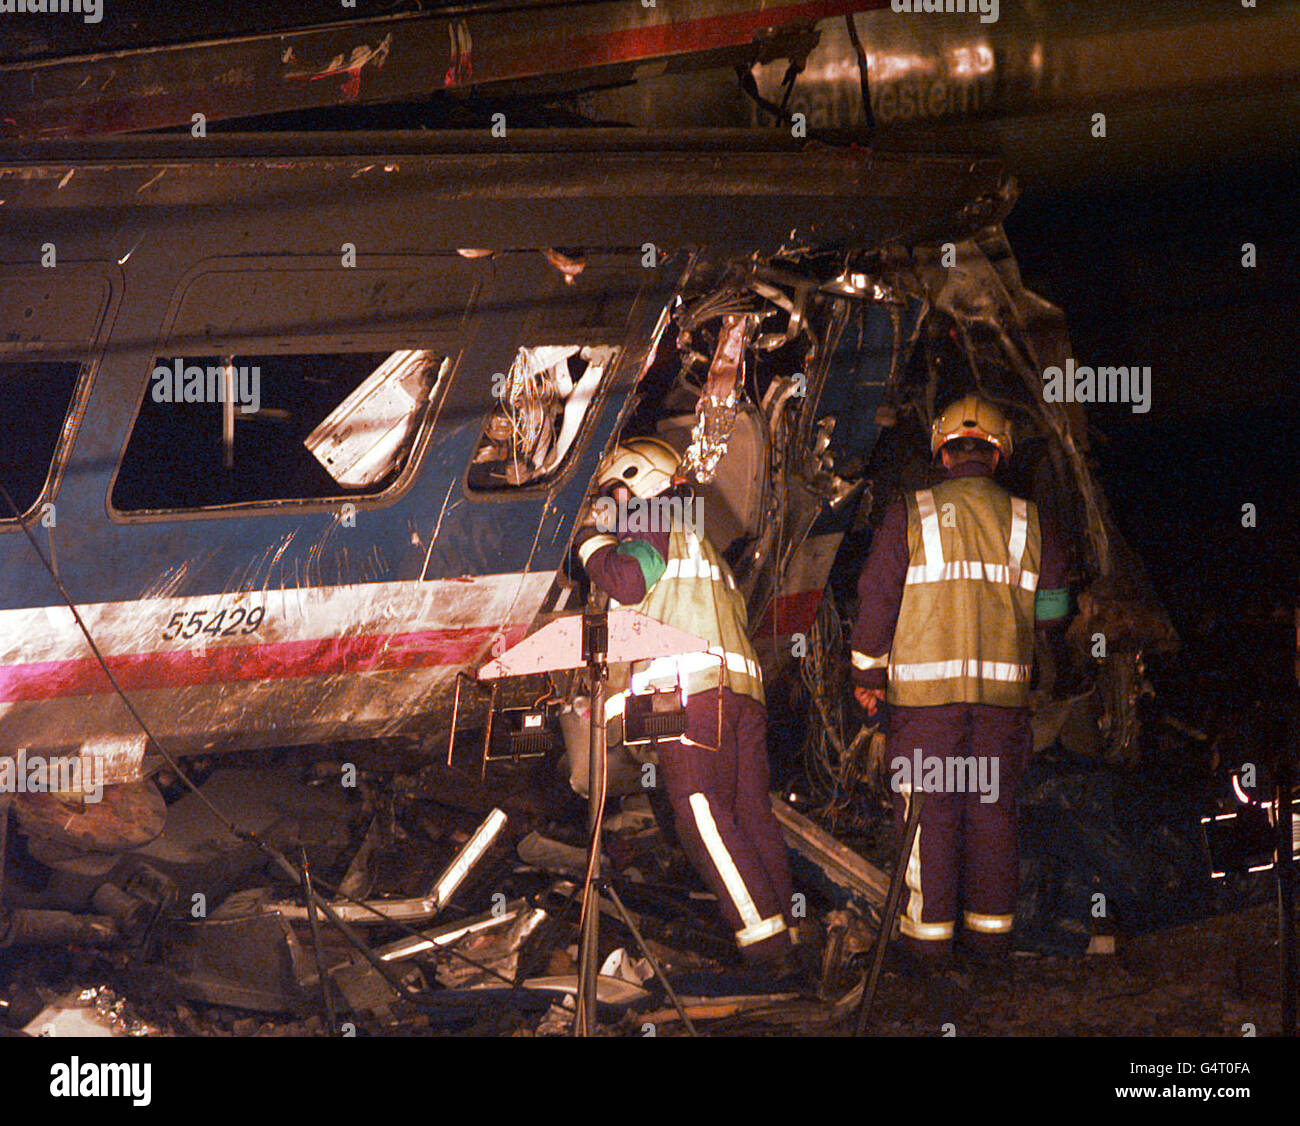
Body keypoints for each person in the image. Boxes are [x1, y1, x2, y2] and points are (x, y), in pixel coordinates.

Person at [850, 394, 1070, 968]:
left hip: (924, 705)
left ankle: (927, 948)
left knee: (929, 813)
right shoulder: (1030, 519)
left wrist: (865, 671)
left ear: (942, 451)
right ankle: (991, 940)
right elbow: (1051, 612)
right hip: (1001, 704)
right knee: (993, 811)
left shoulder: (911, 512)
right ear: (999, 453)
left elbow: (876, 597)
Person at [574, 437, 803, 973]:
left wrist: (587, 543)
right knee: (750, 816)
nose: (611, 505)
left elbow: (629, 581)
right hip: (740, 696)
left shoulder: (652, 515)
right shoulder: (703, 543)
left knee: (701, 815)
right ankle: (790, 935)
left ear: (641, 480)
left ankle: (766, 948)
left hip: (690, 693)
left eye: (613, 492)